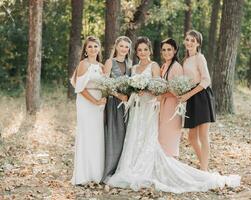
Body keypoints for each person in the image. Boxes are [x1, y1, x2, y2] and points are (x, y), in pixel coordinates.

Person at [105, 37, 240, 193]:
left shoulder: (157, 65)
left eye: (145, 49)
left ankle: (197, 169)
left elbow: (159, 87)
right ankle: (133, 165)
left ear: (150, 50)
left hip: (153, 107)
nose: (142, 52)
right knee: (136, 136)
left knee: (159, 138)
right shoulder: (137, 68)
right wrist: (135, 90)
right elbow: (156, 86)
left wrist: (148, 90)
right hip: (138, 107)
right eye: (140, 50)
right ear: (135, 52)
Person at [70, 36, 107, 185]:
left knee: (97, 136)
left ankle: (96, 173)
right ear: (85, 49)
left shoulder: (102, 66)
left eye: (95, 46)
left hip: (99, 103)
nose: (93, 49)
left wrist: (102, 99)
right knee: (86, 135)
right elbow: (80, 89)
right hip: (86, 103)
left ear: (99, 49)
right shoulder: (83, 64)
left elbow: (106, 85)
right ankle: (83, 175)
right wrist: (96, 101)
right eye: (90, 46)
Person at [179, 30, 216, 171]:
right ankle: (204, 165)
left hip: (202, 96)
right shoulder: (185, 60)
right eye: (187, 39)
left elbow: (206, 80)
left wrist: (188, 95)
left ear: (198, 43)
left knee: (203, 135)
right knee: (192, 137)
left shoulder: (200, 57)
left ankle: (204, 169)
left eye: (192, 41)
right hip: (191, 97)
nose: (189, 43)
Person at [102, 36, 132, 181]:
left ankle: (121, 170)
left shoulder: (130, 64)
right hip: (113, 103)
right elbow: (105, 83)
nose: (124, 49)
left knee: (124, 137)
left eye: (126, 47)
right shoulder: (110, 62)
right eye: (121, 46)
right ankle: (109, 171)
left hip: (126, 105)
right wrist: (118, 95)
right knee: (113, 136)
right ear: (116, 46)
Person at [159, 38, 183, 157]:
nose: (166, 52)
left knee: (169, 138)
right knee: (162, 137)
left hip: (172, 107)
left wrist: (160, 94)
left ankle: (171, 167)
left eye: (169, 49)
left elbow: (178, 91)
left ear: (175, 51)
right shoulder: (164, 66)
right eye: (164, 50)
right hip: (163, 105)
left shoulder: (176, 67)